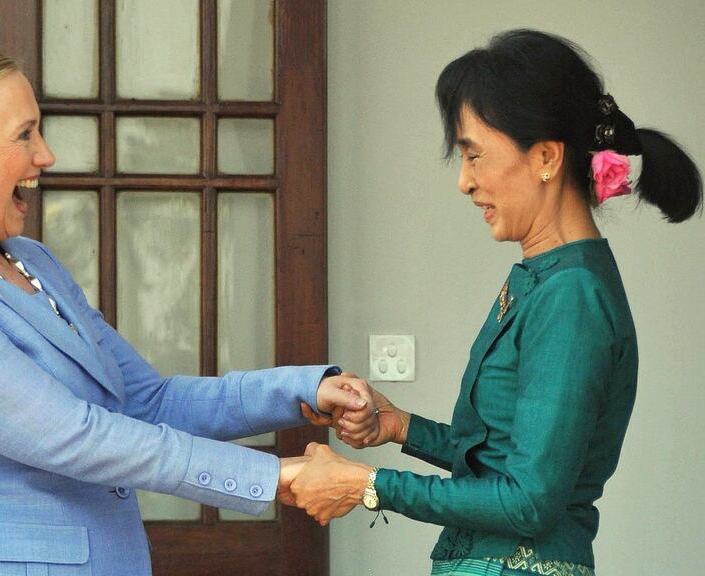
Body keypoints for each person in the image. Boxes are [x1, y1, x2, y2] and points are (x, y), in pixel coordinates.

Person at [0, 36, 376, 575]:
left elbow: (145, 403)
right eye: (24, 134)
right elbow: (74, 435)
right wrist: (275, 477)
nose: (45, 155)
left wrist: (299, 392)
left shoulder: (33, 261)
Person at [287, 29, 702, 575]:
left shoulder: (571, 295)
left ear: (547, 156)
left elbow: (528, 501)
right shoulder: (546, 278)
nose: (465, 181)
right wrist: (399, 426)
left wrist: (365, 485)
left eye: (475, 155)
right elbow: (505, 459)